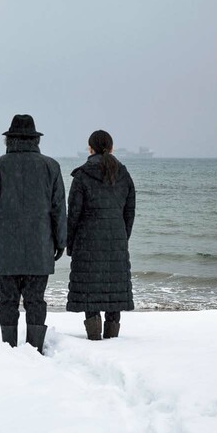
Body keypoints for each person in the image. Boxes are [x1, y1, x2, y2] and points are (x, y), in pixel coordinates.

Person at [0, 114, 67, 353]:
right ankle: (35, 349)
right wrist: (61, 242)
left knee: (7, 300)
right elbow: (58, 208)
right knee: (35, 300)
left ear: (9, 140)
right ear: (35, 140)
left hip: (5, 245)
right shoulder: (51, 166)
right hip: (40, 246)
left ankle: (9, 348)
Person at [66, 130, 135, 340]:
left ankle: (94, 336)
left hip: (88, 239)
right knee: (115, 288)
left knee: (89, 287)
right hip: (116, 238)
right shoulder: (124, 175)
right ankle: (113, 336)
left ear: (90, 148)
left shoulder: (83, 175)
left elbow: (74, 213)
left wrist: (71, 243)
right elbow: (129, 212)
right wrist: (122, 237)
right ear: (112, 148)